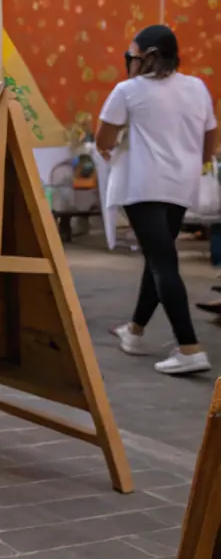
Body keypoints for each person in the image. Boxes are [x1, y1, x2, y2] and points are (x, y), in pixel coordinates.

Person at [98, 25, 216, 375]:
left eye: (131, 55)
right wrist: (200, 164)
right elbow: (210, 132)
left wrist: (113, 146)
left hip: (142, 185)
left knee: (163, 263)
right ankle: (134, 331)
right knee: (158, 256)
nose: (128, 61)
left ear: (146, 55)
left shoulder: (128, 91)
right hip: (180, 185)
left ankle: (190, 348)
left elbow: (103, 138)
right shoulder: (196, 87)